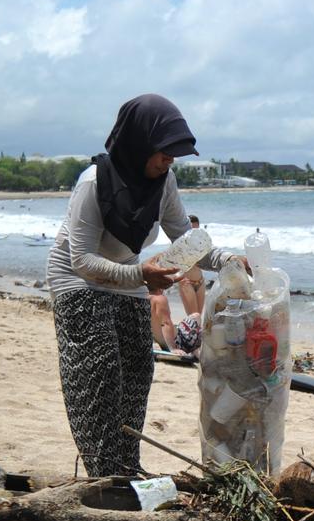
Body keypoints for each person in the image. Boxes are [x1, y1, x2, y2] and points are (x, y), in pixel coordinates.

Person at [45, 93, 241, 477]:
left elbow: (186, 238)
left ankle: (127, 466)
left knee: (138, 369)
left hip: (129, 273)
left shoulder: (163, 182)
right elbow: (81, 260)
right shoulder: (92, 184)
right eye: (164, 153)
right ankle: (104, 474)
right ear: (138, 144)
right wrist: (140, 275)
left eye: (174, 155)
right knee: (100, 374)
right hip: (76, 279)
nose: (170, 161)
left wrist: (227, 261)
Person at [177, 214, 206, 316]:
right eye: (191, 229)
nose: (193, 232)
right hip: (186, 282)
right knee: (193, 317)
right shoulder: (180, 242)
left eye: (196, 229)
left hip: (200, 281)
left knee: (199, 316)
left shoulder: (202, 243)